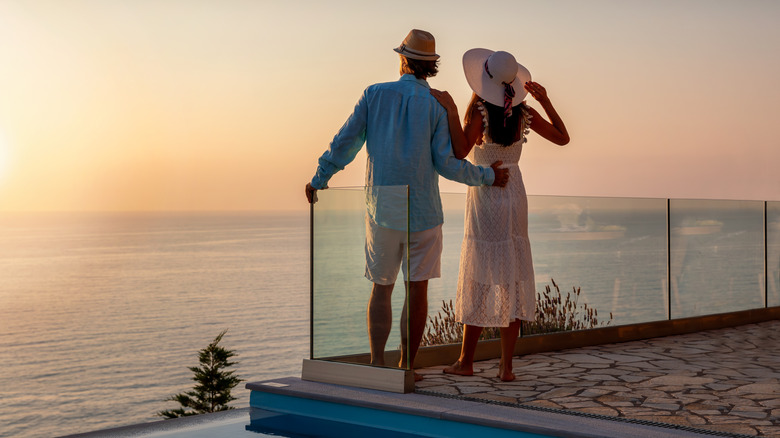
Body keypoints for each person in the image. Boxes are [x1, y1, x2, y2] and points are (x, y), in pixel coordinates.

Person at [305, 31, 509, 377]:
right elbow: (447, 163)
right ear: (430, 68)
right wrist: (488, 177)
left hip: (382, 210)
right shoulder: (435, 104)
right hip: (424, 212)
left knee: (381, 287)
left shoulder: (374, 95)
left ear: (402, 60)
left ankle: (376, 365)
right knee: (417, 292)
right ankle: (406, 368)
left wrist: (319, 179)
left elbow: (345, 143)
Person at [431, 49, 569, 381]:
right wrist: (546, 101)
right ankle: (506, 367)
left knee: (480, 272)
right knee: (511, 273)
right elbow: (563, 139)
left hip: (486, 190)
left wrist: (451, 110)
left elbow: (462, 150)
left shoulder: (480, 109)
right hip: (515, 192)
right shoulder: (523, 113)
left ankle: (466, 361)